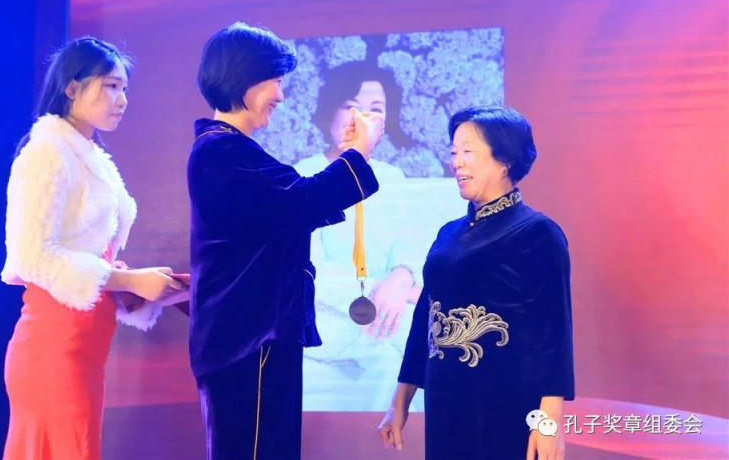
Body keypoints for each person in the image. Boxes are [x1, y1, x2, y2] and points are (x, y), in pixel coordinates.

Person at [187, 23, 384, 460]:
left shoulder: (229, 150)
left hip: (255, 336)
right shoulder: (222, 150)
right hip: (250, 338)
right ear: (244, 78)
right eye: (274, 80)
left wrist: (350, 156)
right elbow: (301, 202)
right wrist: (361, 151)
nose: (280, 94)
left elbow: (289, 207)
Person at [1, 37, 188, 460]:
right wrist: (127, 280)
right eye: (110, 86)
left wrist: (133, 286)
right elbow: (32, 255)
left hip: (83, 346)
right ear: (72, 87)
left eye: (124, 88)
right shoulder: (47, 152)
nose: (122, 99)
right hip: (53, 346)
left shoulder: (88, 155)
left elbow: (85, 256)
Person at [378, 106, 575, 460]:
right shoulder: (448, 233)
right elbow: (425, 318)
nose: (456, 162)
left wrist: (548, 423)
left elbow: (554, 332)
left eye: (468, 151)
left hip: (507, 405)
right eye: (454, 152)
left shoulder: (537, 232)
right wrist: (400, 400)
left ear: (505, 161)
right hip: (446, 404)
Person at [294, 60, 422, 411]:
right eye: (351, 106)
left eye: (375, 109)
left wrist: (401, 278)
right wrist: (380, 292)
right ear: (329, 112)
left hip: (389, 305)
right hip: (326, 310)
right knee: (393, 355)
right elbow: (309, 266)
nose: (362, 118)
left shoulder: (392, 177)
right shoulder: (303, 176)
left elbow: (409, 245)